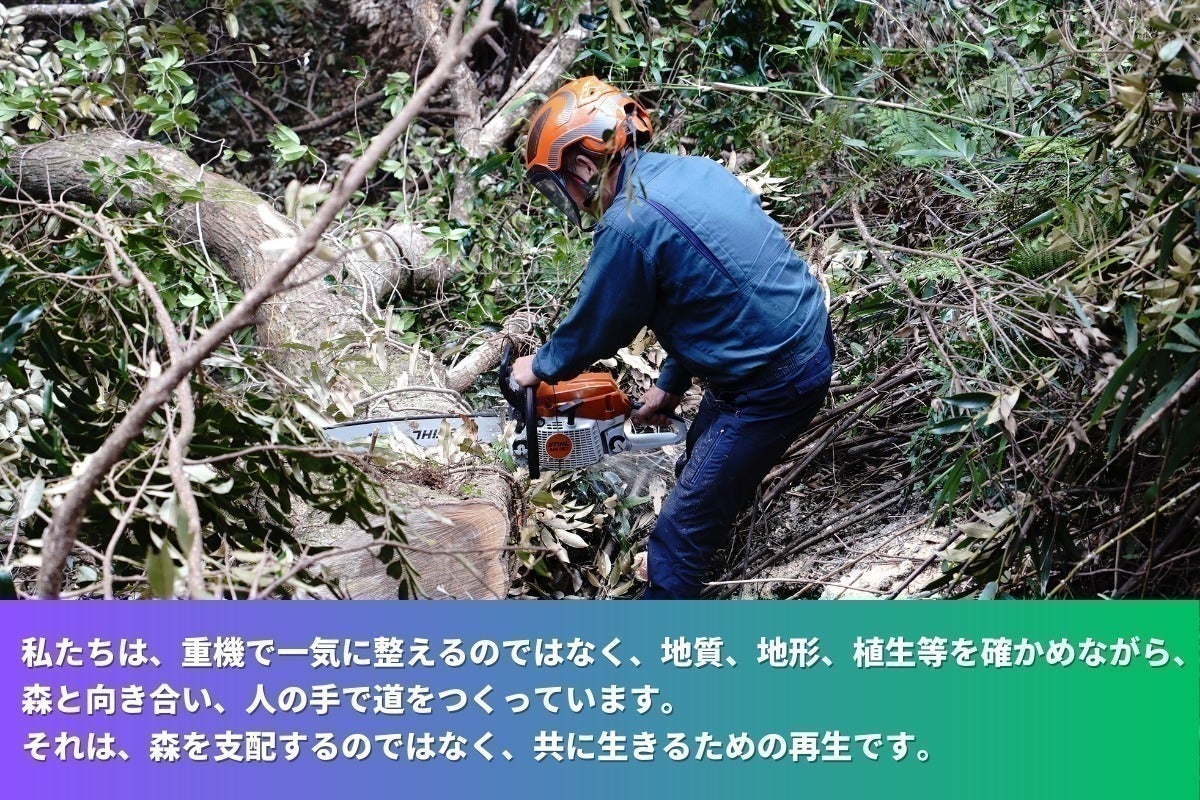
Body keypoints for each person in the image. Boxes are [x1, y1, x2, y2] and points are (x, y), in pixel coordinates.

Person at [511, 76, 834, 599]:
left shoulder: (629, 223)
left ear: (585, 166)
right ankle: (716, 531)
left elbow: (598, 327)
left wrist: (539, 366)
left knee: (678, 534)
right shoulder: (695, 173)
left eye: (558, 183)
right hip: (798, 343)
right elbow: (710, 296)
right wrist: (668, 385)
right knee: (697, 461)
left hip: (772, 384)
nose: (565, 198)